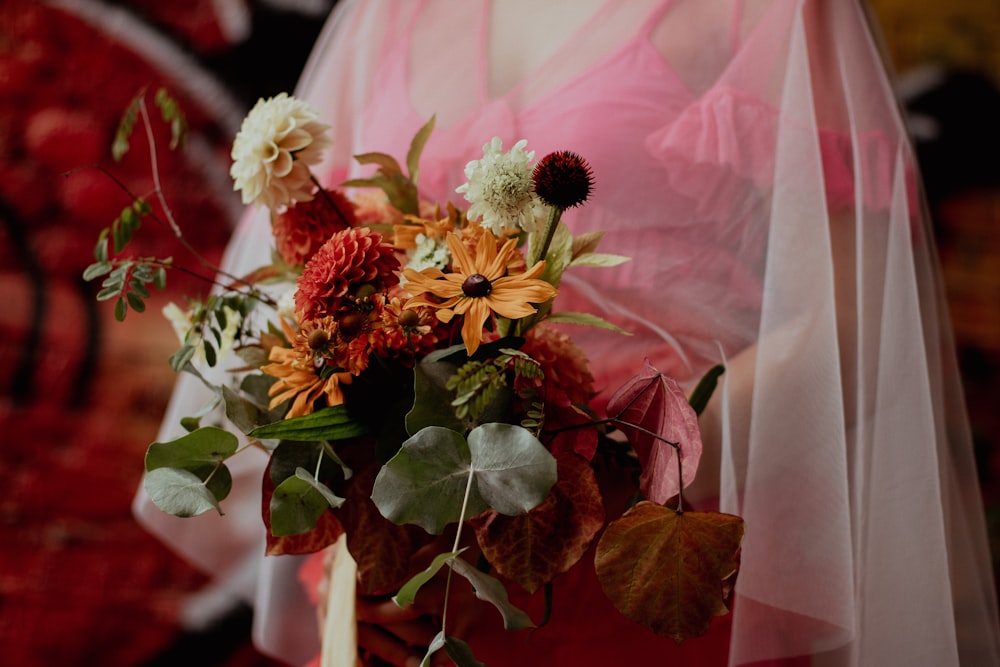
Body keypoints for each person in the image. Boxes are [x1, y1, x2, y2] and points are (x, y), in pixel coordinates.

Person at [134, 1, 1000, 665]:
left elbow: (847, 328)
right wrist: (354, 548)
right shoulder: (393, 12)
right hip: (407, 591)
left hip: (636, 563)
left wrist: (591, 486)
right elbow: (308, 285)